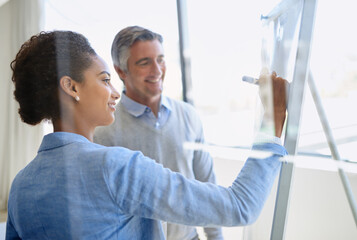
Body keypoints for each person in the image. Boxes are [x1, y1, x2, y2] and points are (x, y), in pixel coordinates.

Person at [6, 30, 288, 240]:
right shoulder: (115, 167)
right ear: (71, 87)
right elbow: (240, 206)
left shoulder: (21, 186)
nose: (114, 91)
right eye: (105, 80)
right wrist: (271, 119)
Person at [93, 26, 223, 240]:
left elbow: (208, 189)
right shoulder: (103, 130)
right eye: (144, 62)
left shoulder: (189, 116)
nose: (157, 70)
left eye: (160, 59)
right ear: (121, 71)